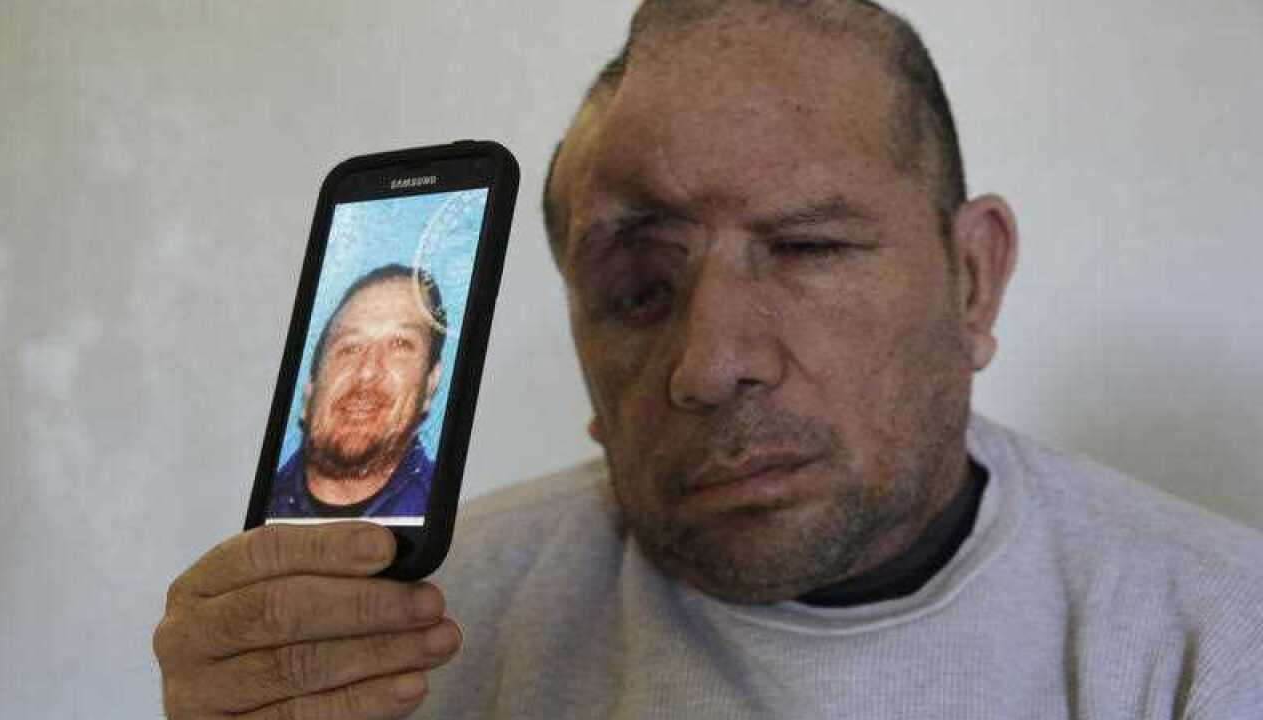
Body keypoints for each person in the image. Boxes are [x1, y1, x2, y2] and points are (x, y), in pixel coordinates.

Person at [153, 1, 1263, 718]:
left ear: (971, 278)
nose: (708, 364)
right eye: (636, 291)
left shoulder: (1214, 639)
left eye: (806, 247)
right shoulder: (406, 645)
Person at [269, 264, 446, 519]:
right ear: (309, 391)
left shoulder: (452, 516)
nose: (367, 371)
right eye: (349, 347)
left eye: (400, 344)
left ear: (430, 385)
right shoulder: (247, 513)